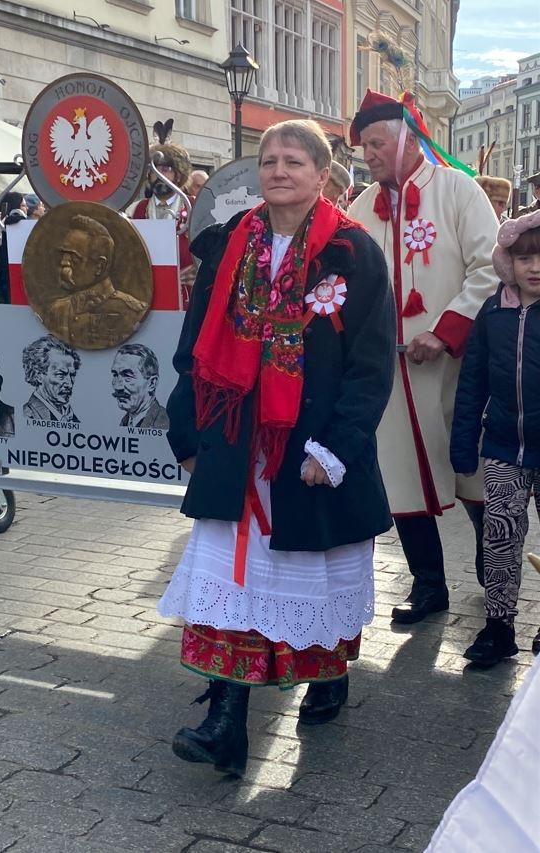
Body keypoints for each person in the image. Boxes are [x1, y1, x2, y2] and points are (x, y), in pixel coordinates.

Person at [157, 118, 395, 776]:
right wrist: (186, 431)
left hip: (310, 448)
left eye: (294, 160)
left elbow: (371, 367)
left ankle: (327, 672)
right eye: (268, 160)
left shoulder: (354, 252)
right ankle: (226, 722)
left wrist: (336, 450)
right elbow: (194, 345)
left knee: (312, 575)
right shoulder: (232, 241)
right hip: (236, 441)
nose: (279, 169)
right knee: (232, 579)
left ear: (324, 175)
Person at [348, 89, 499, 623]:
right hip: (391, 373)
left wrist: (443, 331)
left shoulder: (458, 190)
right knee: (401, 477)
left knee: (474, 470)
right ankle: (428, 585)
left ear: (408, 139)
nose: (368, 154)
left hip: (460, 366)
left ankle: (493, 569)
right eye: (363, 146)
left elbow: (490, 269)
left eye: (377, 143)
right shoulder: (361, 208)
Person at [450, 211, 540, 667]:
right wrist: (463, 443)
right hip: (503, 445)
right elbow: (473, 381)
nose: (535, 267)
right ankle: (499, 626)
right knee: (500, 536)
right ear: (508, 262)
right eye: (524, 258)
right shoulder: (493, 309)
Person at [45, 215, 147, 349]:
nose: (64, 262)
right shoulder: (57, 310)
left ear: (99, 266)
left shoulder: (133, 312)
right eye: (64, 255)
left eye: (74, 258)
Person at [131, 122, 195, 304]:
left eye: (166, 169)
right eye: (154, 170)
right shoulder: (138, 209)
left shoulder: (194, 205)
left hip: (188, 295)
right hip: (148, 294)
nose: (159, 175)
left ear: (178, 174)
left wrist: (199, 269)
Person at [22, 335, 81, 422]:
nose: (69, 384)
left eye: (72, 375)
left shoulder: (70, 416)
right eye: (60, 374)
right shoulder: (28, 415)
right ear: (38, 375)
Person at [111, 343, 169, 429]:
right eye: (115, 375)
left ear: (152, 383)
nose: (117, 387)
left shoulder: (166, 423)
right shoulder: (125, 422)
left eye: (127, 376)